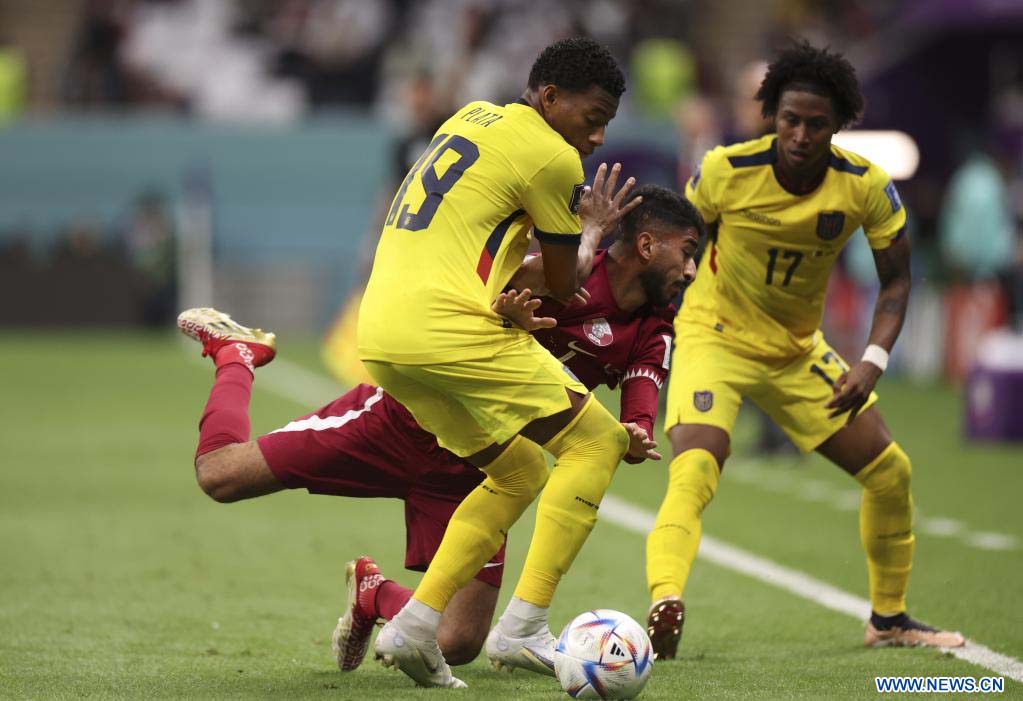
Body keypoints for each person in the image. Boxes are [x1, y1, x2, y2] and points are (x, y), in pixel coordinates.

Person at [178, 183, 702, 675]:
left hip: (484, 470)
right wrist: (506, 316)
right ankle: (237, 355)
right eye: (688, 251)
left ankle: (374, 594)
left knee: (458, 642)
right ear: (648, 245)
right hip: (406, 421)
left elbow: (636, 418)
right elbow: (464, 312)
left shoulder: (654, 328)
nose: (694, 270)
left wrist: (634, 434)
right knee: (220, 476)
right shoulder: (566, 273)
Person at [644, 40, 966, 661]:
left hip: (795, 352)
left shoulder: (864, 187)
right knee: (696, 466)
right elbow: (678, 245)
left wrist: (873, 360)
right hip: (715, 337)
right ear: (771, 113)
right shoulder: (724, 171)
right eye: (789, 119)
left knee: (890, 472)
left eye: (816, 124)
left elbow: (897, 278)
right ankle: (665, 603)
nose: (799, 134)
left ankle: (889, 617)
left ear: (839, 125)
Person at [355, 37, 639, 688]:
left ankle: (415, 625)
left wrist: (517, 286)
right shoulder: (551, 156)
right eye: (589, 117)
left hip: (383, 332)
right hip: (445, 328)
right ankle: (523, 627)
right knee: (599, 441)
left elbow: (499, 256)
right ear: (548, 98)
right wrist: (593, 227)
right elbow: (567, 283)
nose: (595, 136)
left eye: (605, 124)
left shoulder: (469, 118)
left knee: (515, 470)